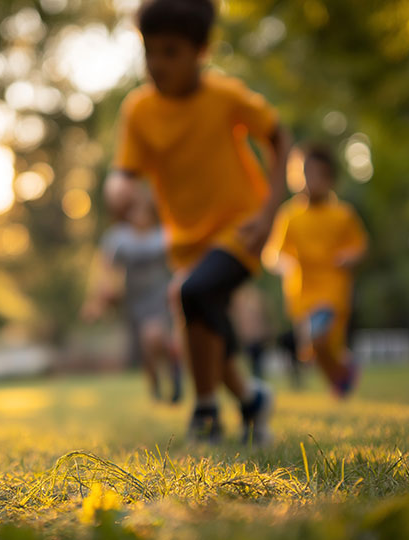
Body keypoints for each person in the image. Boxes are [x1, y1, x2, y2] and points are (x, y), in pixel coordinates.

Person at [104, 0, 291, 445]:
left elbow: (279, 136)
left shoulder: (224, 98)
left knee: (192, 293)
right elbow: (123, 172)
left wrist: (270, 213)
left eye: (171, 52)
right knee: (197, 315)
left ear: (201, 51)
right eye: (150, 52)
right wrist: (117, 188)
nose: (157, 64)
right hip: (187, 241)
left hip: (241, 229)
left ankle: (205, 411)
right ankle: (249, 400)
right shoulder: (139, 110)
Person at [261, 144, 368, 398]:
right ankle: (343, 373)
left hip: (332, 289)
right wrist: (283, 262)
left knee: (317, 341)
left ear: (329, 178)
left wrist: (348, 257)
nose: (309, 181)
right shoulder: (290, 215)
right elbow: (272, 253)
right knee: (311, 351)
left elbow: (360, 246)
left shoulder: (342, 214)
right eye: (303, 174)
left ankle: (340, 380)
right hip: (301, 292)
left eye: (317, 174)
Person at [81, 188, 183, 403]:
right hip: (133, 302)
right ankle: (157, 385)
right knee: (147, 349)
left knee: (154, 336)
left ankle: (174, 370)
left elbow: (180, 263)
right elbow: (105, 269)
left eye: (141, 210)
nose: (136, 216)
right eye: (132, 211)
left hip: (161, 299)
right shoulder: (119, 238)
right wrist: (97, 301)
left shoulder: (163, 235)